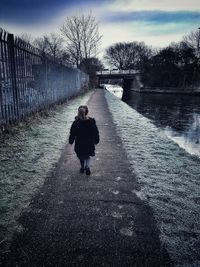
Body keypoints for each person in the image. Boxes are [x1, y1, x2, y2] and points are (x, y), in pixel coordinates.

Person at [69, 105, 99, 175]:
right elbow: (95, 132)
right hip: (89, 143)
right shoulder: (91, 122)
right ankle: (87, 167)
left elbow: (72, 133)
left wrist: (71, 141)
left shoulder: (76, 122)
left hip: (80, 143)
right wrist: (96, 140)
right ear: (87, 112)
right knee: (87, 156)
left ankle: (82, 167)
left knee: (81, 156)